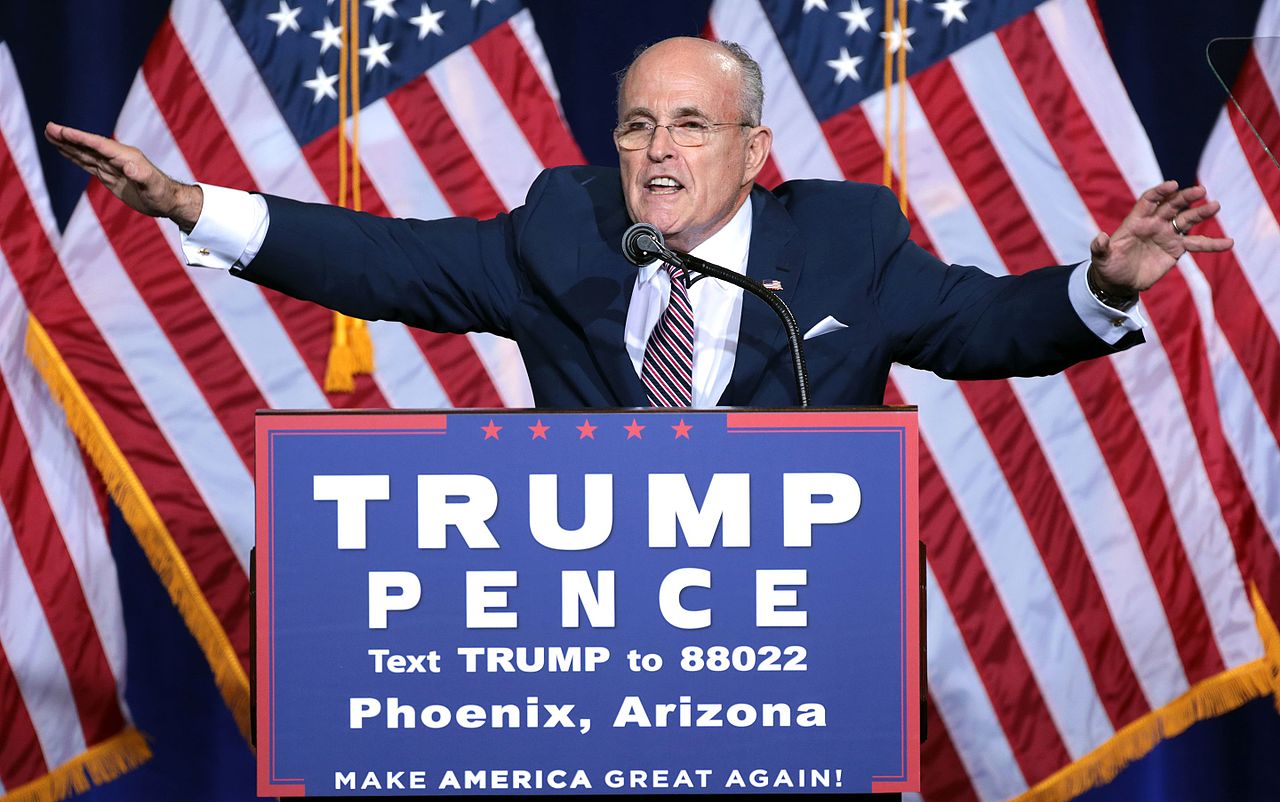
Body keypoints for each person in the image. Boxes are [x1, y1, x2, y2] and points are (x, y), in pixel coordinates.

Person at [44, 38, 1232, 408]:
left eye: (689, 127)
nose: (656, 152)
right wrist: (191, 204)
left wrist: (1106, 283)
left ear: (753, 151)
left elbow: (986, 329)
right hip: (606, 663)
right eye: (633, 128)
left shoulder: (841, 241)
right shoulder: (561, 232)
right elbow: (385, 259)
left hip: (791, 656)